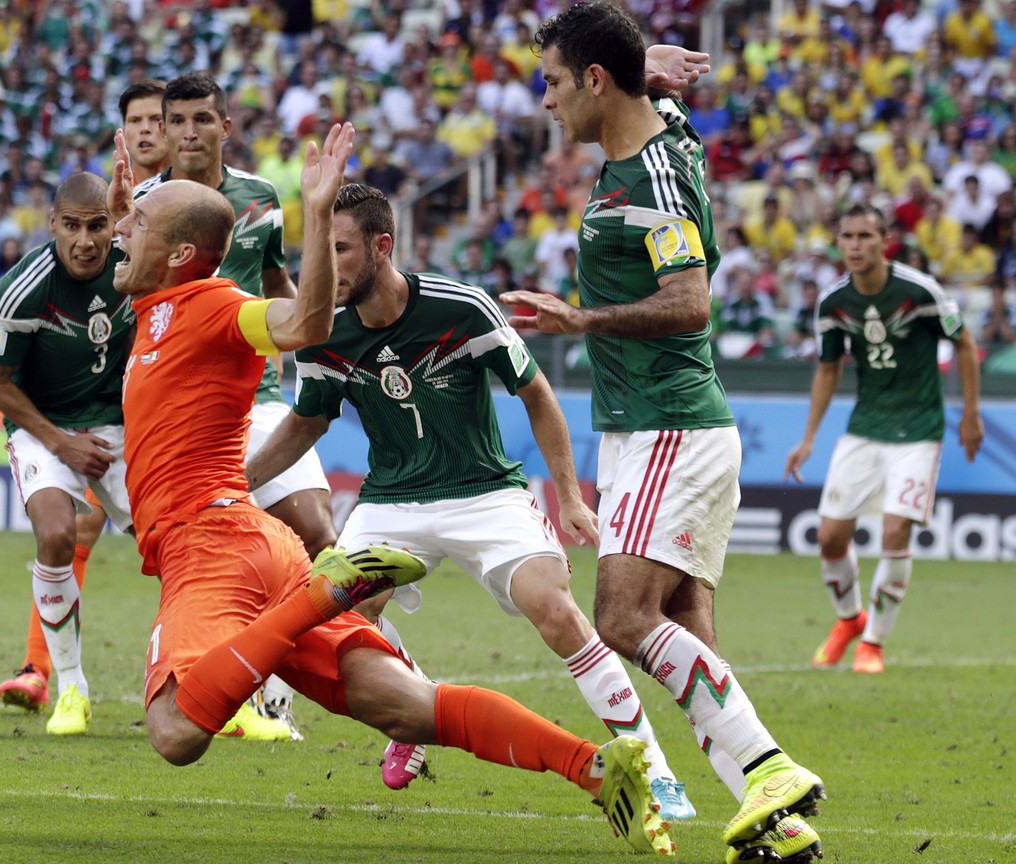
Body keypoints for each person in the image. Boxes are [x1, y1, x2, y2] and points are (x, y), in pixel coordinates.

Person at [111, 124, 671, 857]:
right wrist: (131, 207)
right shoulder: (154, 307)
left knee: (177, 730)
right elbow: (122, 259)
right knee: (407, 708)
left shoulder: (216, 306)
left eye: (139, 224)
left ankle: (325, 590)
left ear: (181, 254)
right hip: (253, 537)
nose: (122, 229)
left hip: (212, 542)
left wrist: (313, 217)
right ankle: (598, 769)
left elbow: (303, 321)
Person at [243, 181, 696, 815]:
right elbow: (307, 421)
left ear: (382, 247)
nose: (325, 265)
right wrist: (241, 481)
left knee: (557, 611)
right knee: (346, 616)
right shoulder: (323, 334)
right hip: (392, 500)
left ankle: (654, 767)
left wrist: (568, 495)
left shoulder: (461, 308)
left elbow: (536, 393)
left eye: (339, 249)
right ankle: (416, 707)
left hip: (485, 491)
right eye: (318, 247)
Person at [499, 6, 825, 862]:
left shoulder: (654, 177)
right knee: (685, 625)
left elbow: (690, 301)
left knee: (620, 618)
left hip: (668, 423)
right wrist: (653, 62)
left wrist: (578, 320)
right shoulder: (649, 143)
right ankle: (778, 827)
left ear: (596, 82)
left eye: (555, 82)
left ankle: (768, 766)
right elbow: (658, 100)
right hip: (650, 429)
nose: (546, 101)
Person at [113, 71, 340, 740]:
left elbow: (277, 280)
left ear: (222, 128)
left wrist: (302, 323)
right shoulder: (148, 204)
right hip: (184, 389)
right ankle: (236, 672)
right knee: (205, 545)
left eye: (199, 120)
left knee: (315, 529)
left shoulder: (261, 199)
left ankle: (289, 686)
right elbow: (128, 289)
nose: (185, 132)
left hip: (257, 381)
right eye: (173, 119)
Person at [783, 205, 983, 674]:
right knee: (831, 537)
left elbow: (966, 344)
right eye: (846, 236)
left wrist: (970, 414)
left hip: (918, 430)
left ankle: (873, 643)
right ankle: (850, 620)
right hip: (865, 427)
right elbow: (829, 368)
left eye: (864, 236)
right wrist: (809, 437)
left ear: (884, 240)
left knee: (896, 529)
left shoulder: (920, 291)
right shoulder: (833, 302)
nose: (854, 245)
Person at [0, 173, 135, 737]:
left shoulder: (136, 266)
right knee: (55, 535)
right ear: (53, 225)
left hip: (122, 425)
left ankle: (195, 675)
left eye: (97, 226)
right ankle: (70, 686)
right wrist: (60, 441)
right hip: (46, 428)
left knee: (177, 549)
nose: (85, 241)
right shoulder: (21, 289)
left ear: (112, 224)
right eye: (71, 226)